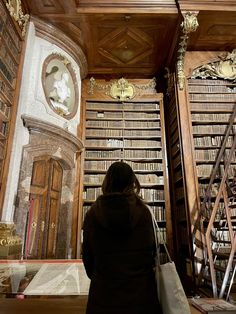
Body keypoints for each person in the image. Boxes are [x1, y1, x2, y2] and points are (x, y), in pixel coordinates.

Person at [82, 161, 162, 314]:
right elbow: (152, 253)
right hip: (142, 297)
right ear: (132, 182)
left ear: (107, 182)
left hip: (104, 297)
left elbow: (87, 258)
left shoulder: (92, 214)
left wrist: (102, 276)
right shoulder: (144, 212)